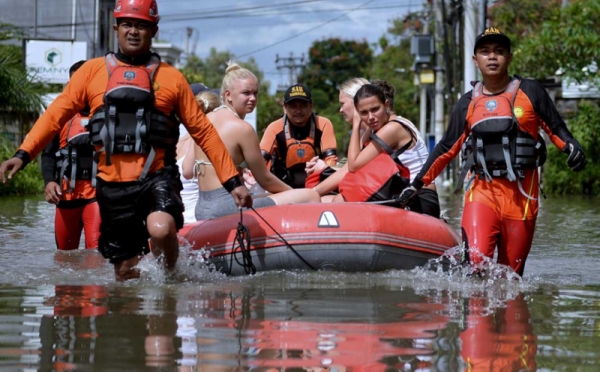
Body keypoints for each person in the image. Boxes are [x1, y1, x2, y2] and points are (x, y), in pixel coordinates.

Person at [0, 0, 251, 281]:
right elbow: (54, 117)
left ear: (154, 31)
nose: (134, 31)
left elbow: (203, 132)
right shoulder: (91, 73)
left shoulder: (172, 79)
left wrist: (232, 181)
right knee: (124, 272)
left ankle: (171, 278)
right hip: (112, 186)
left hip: (157, 177)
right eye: (128, 24)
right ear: (116, 28)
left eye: (142, 25)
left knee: (160, 228)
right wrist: (23, 154)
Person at [396, 28, 587, 275]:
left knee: (511, 276)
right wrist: (417, 184)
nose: (492, 57)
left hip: (522, 197)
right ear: (476, 60)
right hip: (482, 193)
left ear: (509, 57)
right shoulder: (468, 102)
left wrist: (571, 146)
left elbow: (555, 127)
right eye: (485, 52)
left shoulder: (531, 90)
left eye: (499, 51)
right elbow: (446, 148)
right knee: (474, 268)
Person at [182, 62, 319, 221]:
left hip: (202, 208)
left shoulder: (204, 120)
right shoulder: (242, 128)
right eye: (246, 93)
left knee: (267, 196)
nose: (252, 98)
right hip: (228, 206)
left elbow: (187, 169)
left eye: (255, 93)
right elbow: (265, 179)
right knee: (310, 195)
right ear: (228, 95)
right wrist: (292, 192)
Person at [41, 60, 101, 250]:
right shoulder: (60, 116)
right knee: (65, 257)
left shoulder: (107, 114)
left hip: (98, 195)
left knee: (96, 254)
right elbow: (48, 153)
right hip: (66, 195)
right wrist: (49, 181)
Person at [329, 84, 421, 207]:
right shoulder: (381, 126)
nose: (371, 117)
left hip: (419, 197)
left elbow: (353, 165)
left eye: (375, 109)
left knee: (338, 201)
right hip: (403, 193)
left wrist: (356, 125)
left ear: (386, 105)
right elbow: (358, 155)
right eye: (364, 113)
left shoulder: (391, 129)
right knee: (337, 199)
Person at [260, 83, 338, 188]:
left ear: (311, 106)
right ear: (285, 108)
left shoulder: (323, 124)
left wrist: (323, 171)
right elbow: (260, 161)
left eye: (303, 105)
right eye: (293, 106)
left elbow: (331, 159)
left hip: (317, 186)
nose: (298, 111)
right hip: (283, 188)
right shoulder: (274, 128)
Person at [176, 83, 221, 225]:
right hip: (196, 219)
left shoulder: (177, 137)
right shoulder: (202, 139)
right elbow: (188, 171)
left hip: (178, 217)